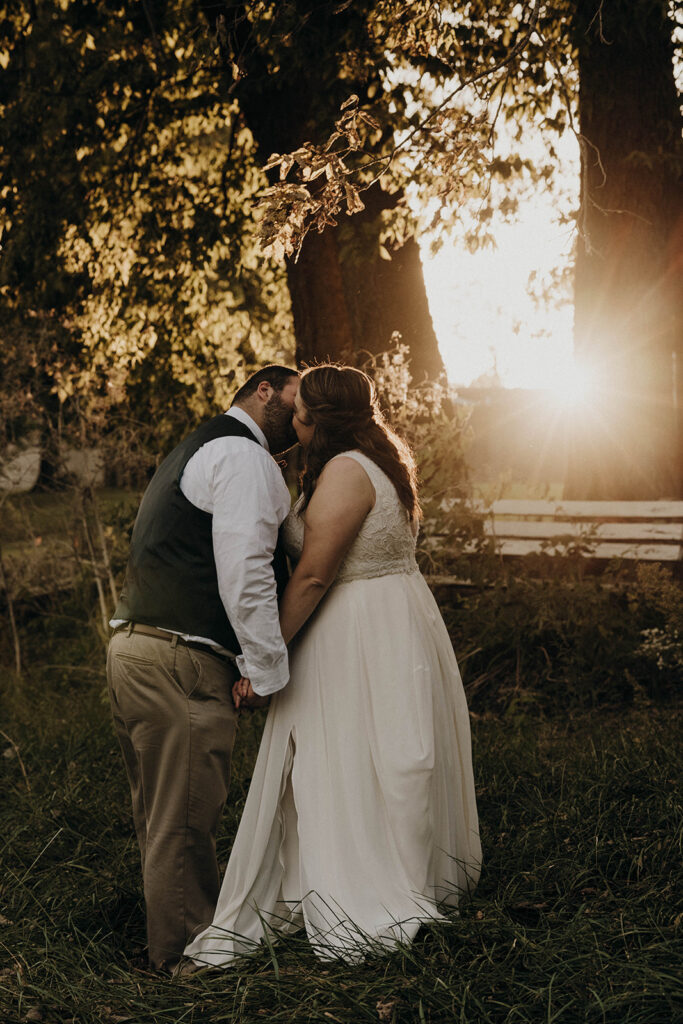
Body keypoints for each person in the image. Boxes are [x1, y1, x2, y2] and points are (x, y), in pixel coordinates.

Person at [183, 364, 481, 967]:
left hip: (360, 626)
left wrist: (264, 656)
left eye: (299, 415)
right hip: (391, 614)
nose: (292, 425)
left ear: (317, 419)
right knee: (379, 750)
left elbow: (316, 573)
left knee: (357, 752)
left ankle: (371, 885)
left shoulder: (347, 471)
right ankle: (378, 868)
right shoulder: (381, 460)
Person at [106, 364, 300, 972]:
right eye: (296, 398)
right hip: (179, 661)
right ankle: (189, 966)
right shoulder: (243, 457)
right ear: (263, 390)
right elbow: (244, 574)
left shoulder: (198, 446)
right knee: (185, 821)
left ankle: (169, 948)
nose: (303, 415)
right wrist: (267, 671)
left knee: (162, 820)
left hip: (137, 650)